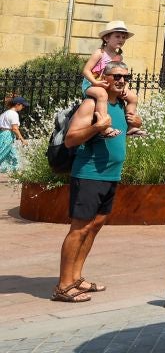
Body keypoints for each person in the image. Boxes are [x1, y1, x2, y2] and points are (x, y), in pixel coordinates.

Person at [54, 61, 130, 303]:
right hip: (89, 175)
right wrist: (97, 127)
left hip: (110, 176)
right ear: (103, 77)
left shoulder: (120, 106)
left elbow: (115, 136)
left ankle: (76, 278)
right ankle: (63, 286)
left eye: (125, 77)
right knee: (79, 229)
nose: (120, 80)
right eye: (115, 76)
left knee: (94, 227)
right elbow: (70, 139)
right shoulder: (91, 104)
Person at [80, 21, 144, 138]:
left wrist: (124, 87)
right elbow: (86, 71)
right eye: (117, 36)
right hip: (91, 85)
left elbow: (119, 75)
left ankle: (131, 126)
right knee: (102, 95)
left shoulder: (119, 57)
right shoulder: (100, 53)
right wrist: (95, 82)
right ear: (106, 38)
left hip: (108, 84)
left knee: (133, 97)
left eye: (123, 37)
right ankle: (104, 127)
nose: (121, 39)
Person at [0, 95, 28, 173]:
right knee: (1, 154)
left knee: (14, 158)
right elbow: (15, 128)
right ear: (17, 104)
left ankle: (16, 175)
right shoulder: (13, 114)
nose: (23, 107)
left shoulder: (5, 113)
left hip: (3, 134)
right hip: (7, 136)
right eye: (22, 105)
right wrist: (22, 140)